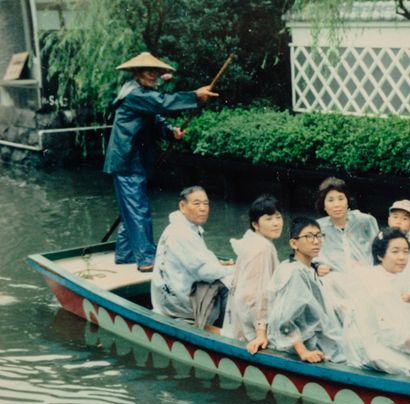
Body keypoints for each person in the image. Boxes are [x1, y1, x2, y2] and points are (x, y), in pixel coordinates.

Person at [103, 52, 218, 272]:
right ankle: (146, 259)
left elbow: (154, 117)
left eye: (156, 73)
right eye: (149, 73)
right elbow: (163, 102)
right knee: (138, 210)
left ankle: (126, 254)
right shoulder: (135, 94)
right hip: (127, 162)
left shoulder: (141, 94)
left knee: (132, 209)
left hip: (134, 161)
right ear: (138, 74)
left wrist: (169, 132)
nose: (153, 77)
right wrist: (195, 96)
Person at [344, 228, 410, 378]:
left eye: (406, 252)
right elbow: (390, 332)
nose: (402, 257)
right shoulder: (380, 285)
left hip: (370, 346)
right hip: (373, 352)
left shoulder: (381, 277)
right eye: (395, 251)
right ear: (380, 255)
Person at [266, 217, 345, 363]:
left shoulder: (307, 269)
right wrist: (304, 353)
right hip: (307, 345)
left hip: (317, 338)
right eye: (308, 236)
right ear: (294, 243)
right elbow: (284, 320)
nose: (316, 241)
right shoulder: (295, 272)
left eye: (318, 235)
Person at [151, 186, 233, 327]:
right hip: (178, 305)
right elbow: (203, 270)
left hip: (169, 296)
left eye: (206, 203)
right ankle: (226, 330)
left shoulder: (182, 226)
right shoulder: (182, 232)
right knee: (232, 286)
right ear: (182, 206)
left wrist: (218, 264)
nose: (203, 208)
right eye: (197, 204)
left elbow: (197, 259)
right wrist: (233, 272)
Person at [221, 195, 283, 354]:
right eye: (268, 219)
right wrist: (261, 333)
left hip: (240, 319)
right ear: (256, 224)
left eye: (278, 217)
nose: (276, 223)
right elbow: (255, 295)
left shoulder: (252, 241)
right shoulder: (263, 249)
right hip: (252, 328)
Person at [315, 177, 379, 273]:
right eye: (330, 200)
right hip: (335, 279)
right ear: (323, 205)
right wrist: (317, 267)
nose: (337, 204)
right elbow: (307, 256)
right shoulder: (317, 227)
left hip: (366, 277)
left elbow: (381, 249)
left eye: (341, 199)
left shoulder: (365, 221)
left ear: (347, 201)